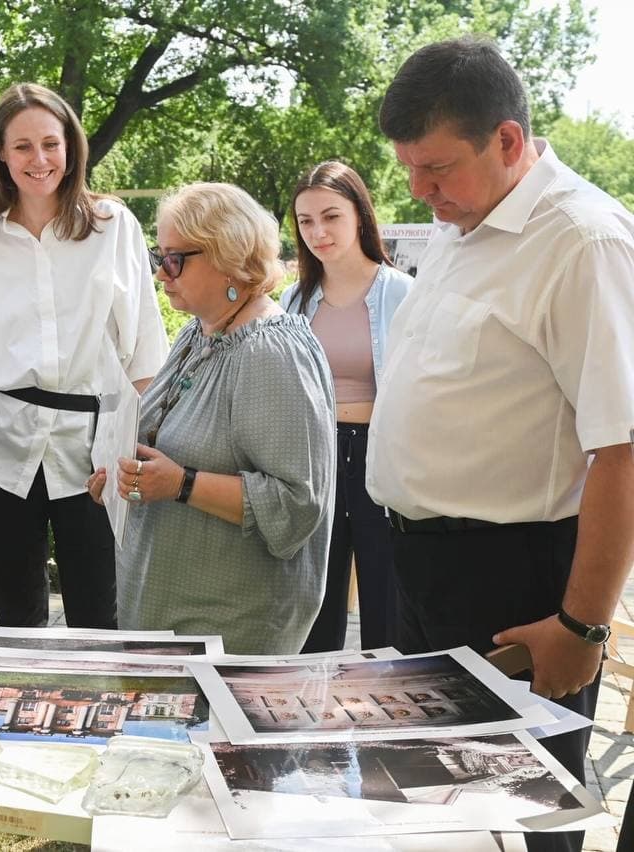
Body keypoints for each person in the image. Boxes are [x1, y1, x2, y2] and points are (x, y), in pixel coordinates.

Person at [367, 37, 634, 852]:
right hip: (422, 569)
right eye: (409, 167)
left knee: (520, 819)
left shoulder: (583, 242)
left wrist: (582, 628)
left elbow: (623, 450)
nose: (418, 190)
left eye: (437, 168)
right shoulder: (467, 221)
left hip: (514, 584)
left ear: (509, 142)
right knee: (436, 817)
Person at [0, 82, 168, 630]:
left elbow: (144, 351)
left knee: (99, 611)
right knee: (15, 613)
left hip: (95, 451)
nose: (38, 160)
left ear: (71, 147)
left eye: (50, 144)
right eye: (21, 147)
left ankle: (100, 714)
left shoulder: (112, 227)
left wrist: (143, 446)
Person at [88, 182, 336, 654]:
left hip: (230, 627)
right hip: (174, 612)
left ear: (230, 255)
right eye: (158, 256)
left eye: (176, 258)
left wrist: (180, 484)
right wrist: (123, 478)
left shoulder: (271, 352)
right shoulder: (199, 332)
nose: (162, 273)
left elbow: (298, 503)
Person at [281, 161, 412, 652]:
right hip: (316, 458)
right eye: (306, 221)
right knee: (316, 600)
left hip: (383, 458)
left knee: (388, 603)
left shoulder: (403, 294)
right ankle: (313, 718)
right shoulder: (293, 301)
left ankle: (390, 716)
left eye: (331, 216)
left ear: (360, 215)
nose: (318, 232)